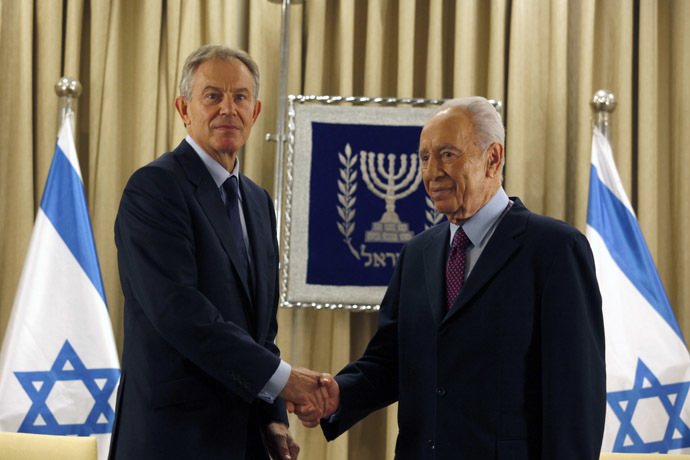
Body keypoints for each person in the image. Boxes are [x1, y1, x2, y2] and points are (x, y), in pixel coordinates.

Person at [303, 97, 606, 459]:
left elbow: (575, 396)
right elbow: (390, 361)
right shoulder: (417, 254)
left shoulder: (554, 249)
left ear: (492, 159)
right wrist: (339, 394)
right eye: (425, 158)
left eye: (447, 154)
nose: (432, 173)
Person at [109, 44, 329, 460]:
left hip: (245, 442)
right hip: (172, 441)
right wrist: (285, 381)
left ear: (256, 111)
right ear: (183, 108)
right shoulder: (154, 188)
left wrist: (274, 417)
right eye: (213, 96)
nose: (228, 109)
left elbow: (261, 329)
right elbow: (180, 312)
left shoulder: (258, 201)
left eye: (240, 97)